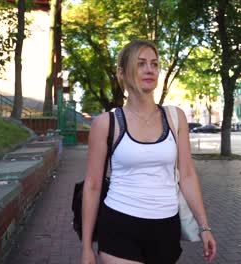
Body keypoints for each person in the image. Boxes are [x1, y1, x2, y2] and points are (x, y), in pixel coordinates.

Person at [81, 40, 217, 264]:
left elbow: (188, 176)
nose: (149, 69)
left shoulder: (175, 118)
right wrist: (86, 247)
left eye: (154, 64)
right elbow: (93, 185)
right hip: (120, 224)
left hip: (166, 227)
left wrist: (204, 227)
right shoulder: (107, 123)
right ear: (122, 73)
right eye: (141, 63)